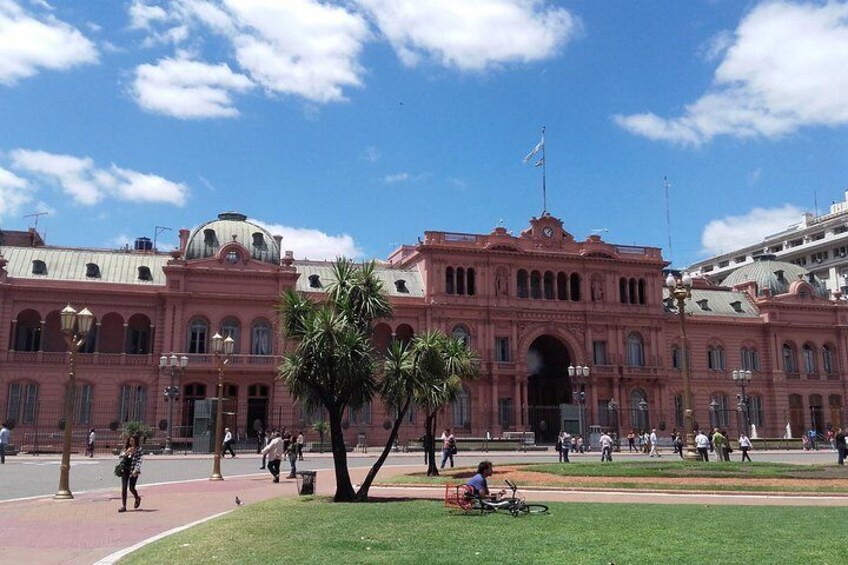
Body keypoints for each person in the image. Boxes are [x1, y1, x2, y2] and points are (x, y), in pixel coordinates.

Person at [117, 435, 143, 513]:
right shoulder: (126, 448)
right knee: (124, 487)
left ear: (135, 441)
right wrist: (127, 452)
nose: (131, 442)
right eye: (130, 441)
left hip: (133, 470)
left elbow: (140, 460)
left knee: (131, 488)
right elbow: (120, 456)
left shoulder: (139, 449)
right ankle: (124, 506)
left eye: (132, 441)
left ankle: (137, 498)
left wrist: (136, 469)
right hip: (125, 469)